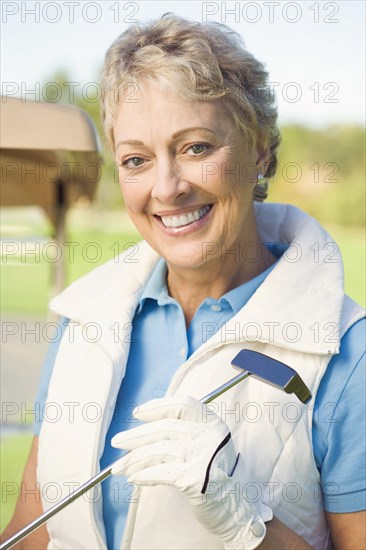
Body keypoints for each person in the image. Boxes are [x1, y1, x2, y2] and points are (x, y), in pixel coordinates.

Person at [2, 14, 365, 550]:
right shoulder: (83, 321)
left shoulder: (348, 353)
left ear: (259, 149)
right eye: (136, 160)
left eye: (196, 147)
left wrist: (248, 521)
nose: (166, 188)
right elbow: (29, 533)